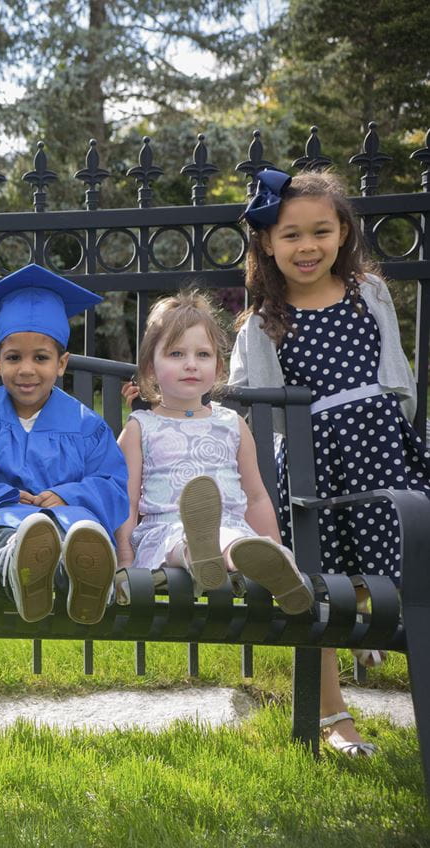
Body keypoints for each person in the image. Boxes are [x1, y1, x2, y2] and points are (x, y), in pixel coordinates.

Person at [230, 168, 430, 756]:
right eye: (291, 235)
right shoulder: (264, 322)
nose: (307, 246)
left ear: (343, 232)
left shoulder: (370, 292)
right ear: (268, 243)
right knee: (317, 586)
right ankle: (334, 716)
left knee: (400, 563)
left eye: (321, 231)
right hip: (314, 463)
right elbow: (250, 405)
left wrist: (396, 433)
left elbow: (395, 373)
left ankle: (369, 623)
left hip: (381, 449)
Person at [0, 263, 128, 626]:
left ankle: (85, 583)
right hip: (0, 520)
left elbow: (113, 485)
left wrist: (68, 495)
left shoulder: (86, 426)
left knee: (77, 538)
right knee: (3, 540)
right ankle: (16, 568)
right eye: (13, 357)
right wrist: (4, 496)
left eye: (41, 357)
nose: (26, 369)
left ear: (62, 364)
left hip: (69, 522)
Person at [114, 290, 313, 614]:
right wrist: (125, 559)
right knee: (181, 542)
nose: (191, 364)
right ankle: (198, 554)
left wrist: (274, 546)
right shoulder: (141, 427)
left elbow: (256, 497)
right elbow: (127, 500)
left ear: (218, 367)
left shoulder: (231, 424)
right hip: (164, 532)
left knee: (235, 540)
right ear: (150, 368)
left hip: (231, 528)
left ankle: (271, 567)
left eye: (203, 355)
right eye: (176, 354)